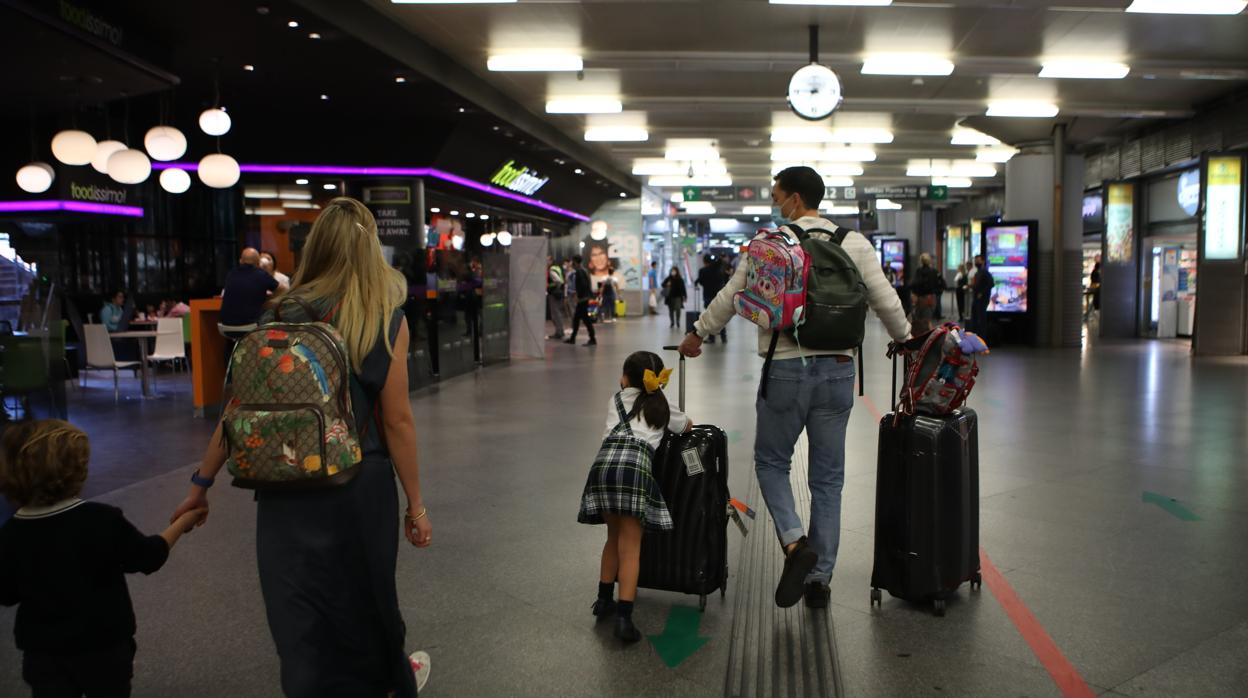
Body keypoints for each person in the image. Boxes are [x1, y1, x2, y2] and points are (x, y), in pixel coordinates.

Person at [170, 198, 433, 697]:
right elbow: (396, 421)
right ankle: (388, 683)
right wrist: (416, 505)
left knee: (298, 609)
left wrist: (200, 484)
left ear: (316, 249)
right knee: (368, 599)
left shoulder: (279, 313)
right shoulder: (383, 319)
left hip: (285, 482)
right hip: (360, 481)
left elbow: (238, 408)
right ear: (369, 250)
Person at [679, 166, 910, 609]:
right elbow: (886, 301)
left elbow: (731, 294)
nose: (775, 202)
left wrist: (699, 333)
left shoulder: (769, 244)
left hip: (784, 368)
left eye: (777, 194)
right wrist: (907, 340)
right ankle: (819, 580)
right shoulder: (854, 243)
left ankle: (793, 543)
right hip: (839, 370)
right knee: (828, 480)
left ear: (796, 199)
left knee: (770, 463)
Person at [0, 419, 207, 698]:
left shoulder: (10, 534)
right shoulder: (101, 520)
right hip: (104, 649)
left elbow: (7, 594)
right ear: (74, 472)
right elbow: (149, 557)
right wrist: (184, 521)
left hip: (43, 656)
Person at [578, 351, 691, 642]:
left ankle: (603, 601)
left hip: (603, 469)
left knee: (612, 538)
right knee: (631, 547)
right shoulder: (663, 406)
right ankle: (624, 619)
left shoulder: (615, 400)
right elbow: (686, 426)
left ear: (625, 378)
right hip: (635, 471)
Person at [218, 247, 281, 340]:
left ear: (240, 261)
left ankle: (232, 352)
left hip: (225, 327)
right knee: (271, 315)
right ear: (258, 263)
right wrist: (270, 298)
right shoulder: (261, 274)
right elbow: (283, 288)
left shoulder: (231, 273)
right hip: (251, 327)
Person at [565, 255, 598, 347]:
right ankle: (573, 338)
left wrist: (579, 297)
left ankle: (592, 339)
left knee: (586, 320)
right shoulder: (583, 271)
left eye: (572, 261)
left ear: (575, 262)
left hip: (583, 299)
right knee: (577, 319)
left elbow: (583, 286)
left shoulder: (579, 272)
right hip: (584, 299)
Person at [695, 256, 728, 343]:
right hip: (719, 297)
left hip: (708, 296)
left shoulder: (703, 271)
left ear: (704, 261)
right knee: (720, 317)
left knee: (710, 317)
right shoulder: (719, 270)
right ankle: (723, 337)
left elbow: (701, 282)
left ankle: (711, 338)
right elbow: (724, 281)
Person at [909, 253, 941, 335]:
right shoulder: (934, 271)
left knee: (919, 320)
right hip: (931, 298)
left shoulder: (919, 271)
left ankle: (920, 337)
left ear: (921, 261)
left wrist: (914, 293)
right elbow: (941, 284)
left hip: (921, 298)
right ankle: (931, 339)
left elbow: (914, 284)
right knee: (928, 320)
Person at [969, 254, 994, 335]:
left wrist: (982, 293)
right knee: (975, 318)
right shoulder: (978, 273)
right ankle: (976, 336)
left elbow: (991, 284)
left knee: (981, 320)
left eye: (978, 261)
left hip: (982, 300)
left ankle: (982, 338)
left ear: (983, 261)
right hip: (976, 299)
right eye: (975, 261)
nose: (976, 262)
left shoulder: (985, 272)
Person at [547, 255, 567, 340]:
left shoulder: (551, 270)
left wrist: (555, 288)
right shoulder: (557, 268)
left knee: (555, 314)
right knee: (557, 313)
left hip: (554, 294)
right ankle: (559, 331)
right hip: (558, 293)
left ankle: (559, 332)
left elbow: (558, 281)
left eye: (547, 260)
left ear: (551, 261)